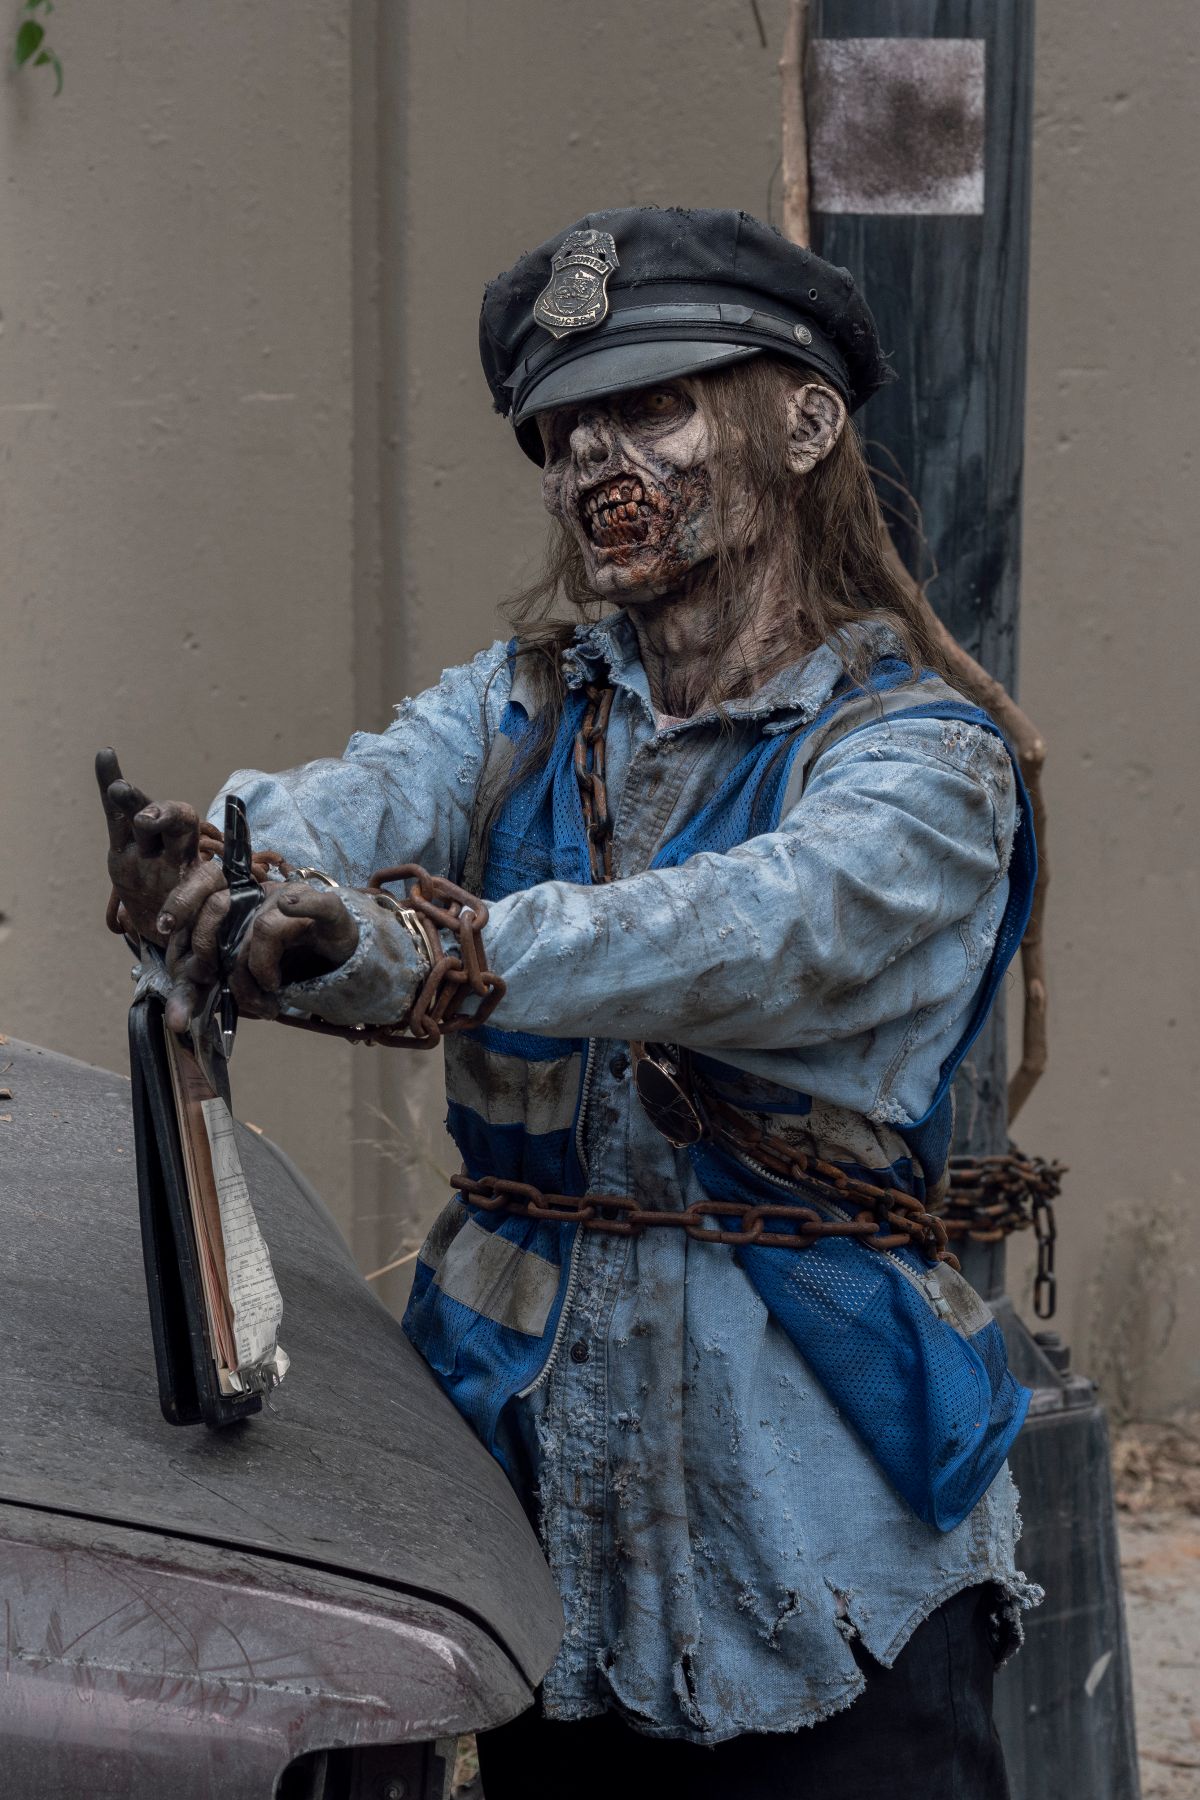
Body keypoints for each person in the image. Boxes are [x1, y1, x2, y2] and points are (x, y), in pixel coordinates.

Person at [99, 207, 1041, 1799]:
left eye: (653, 406)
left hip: (825, 1550)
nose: (597, 455)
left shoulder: (926, 763)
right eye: (561, 429)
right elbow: (356, 798)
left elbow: (741, 932)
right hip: (537, 1505)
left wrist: (426, 955)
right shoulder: (522, 705)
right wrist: (224, 868)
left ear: (804, 423)